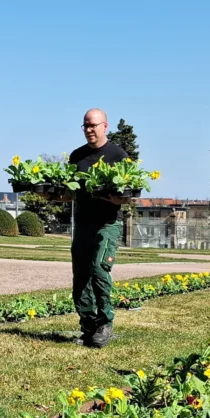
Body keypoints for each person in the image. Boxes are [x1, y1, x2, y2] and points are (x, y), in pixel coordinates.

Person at [69, 109, 130, 347]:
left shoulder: (118, 155)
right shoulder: (77, 156)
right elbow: (70, 192)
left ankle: (105, 323)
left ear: (105, 126)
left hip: (108, 223)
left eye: (93, 125)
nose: (89, 130)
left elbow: (129, 195)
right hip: (83, 223)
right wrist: (49, 194)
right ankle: (88, 326)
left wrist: (120, 199)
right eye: (85, 126)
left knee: (98, 269)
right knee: (80, 277)